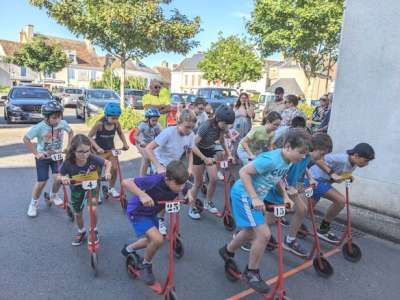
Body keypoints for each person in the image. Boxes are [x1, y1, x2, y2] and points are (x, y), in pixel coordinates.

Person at [219, 130, 311, 293]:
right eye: (301, 153)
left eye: (305, 154)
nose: (303, 157)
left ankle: (227, 250)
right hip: (244, 195)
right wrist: (254, 198)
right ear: (288, 147)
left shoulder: (288, 160)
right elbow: (243, 172)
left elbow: (278, 177)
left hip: (253, 196)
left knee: (249, 231)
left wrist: (285, 196)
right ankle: (252, 272)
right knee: (264, 234)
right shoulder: (271, 159)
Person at [120, 160, 194, 285]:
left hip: (150, 213)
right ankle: (146, 264)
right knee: (158, 239)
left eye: (182, 185)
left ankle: (128, 249)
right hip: (138, 212)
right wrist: (142, 195)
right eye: (178, 185)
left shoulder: (178, 181)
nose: (181, 187)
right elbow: (125, 182)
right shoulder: (154, 181)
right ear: (168, 179)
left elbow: (186, 186)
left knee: (152, 241)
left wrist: (189, 194)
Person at [265, 132, 333, 256]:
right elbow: (281, 173)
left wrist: (311, 178)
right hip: (277, 189)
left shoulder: (306, 157)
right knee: (269, 221)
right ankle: (247, 235)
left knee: (302, 209)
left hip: (290, 187)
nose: (322, 158)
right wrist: (287, 188)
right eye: (322, 154)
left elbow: (305, 167)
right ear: (313, 149)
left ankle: (290, 240)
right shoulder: (297, 156)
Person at [308, 142, 375, 243]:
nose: (366, 164)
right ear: (356, 155)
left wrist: (347, 177)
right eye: (365, 161)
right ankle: (323, 228)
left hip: (323, 182)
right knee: (340, 201)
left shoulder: (354, 164)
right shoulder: (342, 158)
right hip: (314, 179)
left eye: (368, 162)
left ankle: (295, 224)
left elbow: (340, 176)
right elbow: (318, 160)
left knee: (306, 210)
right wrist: (332, 174)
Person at [145, 109, 197, 234]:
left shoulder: (190, 134)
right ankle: (158, 219)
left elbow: (190, 152)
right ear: (179, 123)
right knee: (164, 193)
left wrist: (190, 168)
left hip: (174, 165)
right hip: (161, 163)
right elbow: (148, 148)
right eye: (187, 127)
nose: (189, 130)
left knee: (175, 192)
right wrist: (158, 166)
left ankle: (165, 219)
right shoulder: (168, 133)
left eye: (192, 127)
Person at [58, 134, 112, 246]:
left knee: (92, 208)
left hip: (92, 186)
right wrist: (64, 178)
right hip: (77, 189)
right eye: (80, 152)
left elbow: (108, 163)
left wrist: (107, 172)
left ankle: (94, 230)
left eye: (87, 151)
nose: (85, 154)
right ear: (73, 151)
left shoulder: (92, 157)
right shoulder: (68, 162)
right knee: (78, 213)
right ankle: (81, 231)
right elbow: (60, 174)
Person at [23, 100, 73, 218]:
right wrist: (36, 153)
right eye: (54, 117)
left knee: (58, 178)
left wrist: (68, 146)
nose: (57, 120)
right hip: (43, 157)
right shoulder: (39, 127)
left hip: (57, 156)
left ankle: (54, 195)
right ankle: (33, 204)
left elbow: (71, 132)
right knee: (42, 181)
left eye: (59, 117)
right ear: (46, 117)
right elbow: (26, 139)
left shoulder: (62, 123)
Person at [188, 105, 235, 220]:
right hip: (197, 152)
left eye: (229, 124)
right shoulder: (206, 126)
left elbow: (222, 141)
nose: (227, 126)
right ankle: (192, 207)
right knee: (198, 183)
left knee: (214, 179)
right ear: (218, 119)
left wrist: (229, 154)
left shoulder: (222, 128)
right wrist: (204, 158)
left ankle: (208, 202)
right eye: (225, 123)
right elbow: (193, 145)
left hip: (209, 151)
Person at [88, 103, 129, 199]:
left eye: (117, 118)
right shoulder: (99, 124)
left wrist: (125, 143)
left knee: (114, 169)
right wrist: (97, 147)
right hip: (98, 152)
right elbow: (89, 137)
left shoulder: (116, 124)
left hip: (111, 150)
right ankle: (96, 193)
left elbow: (120, 133)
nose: (115, 120)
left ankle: (111, 188)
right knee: (97, 172)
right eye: (113, 118)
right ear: (106, 115)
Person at [135, 108, 162, 176]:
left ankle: (151, 171)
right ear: (148, 119)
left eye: (156, 120)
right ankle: (141, 178)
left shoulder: (157, 125)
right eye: (153, 120)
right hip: (141, 142)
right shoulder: (143, 125)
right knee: (146, 158)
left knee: (156, 156)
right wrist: (141, 142)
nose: (155, 122)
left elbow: (161, 136)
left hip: (150, 143)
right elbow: (135, 136)